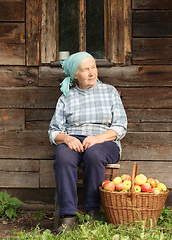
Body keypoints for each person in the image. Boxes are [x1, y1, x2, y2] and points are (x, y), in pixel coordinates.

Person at [48, 52, 127, 232]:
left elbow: (121, 126)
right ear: (75, 74)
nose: (92, 73)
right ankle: (68, 216)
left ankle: (93, 212)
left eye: (93, 67)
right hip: (74, 140)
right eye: (85, 70)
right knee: (63, 156)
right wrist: (67, 138)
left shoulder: (109, 92)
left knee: (94, 153)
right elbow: (54, 131)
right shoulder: (66, 97)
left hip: (105, 141)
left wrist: (99, 138)